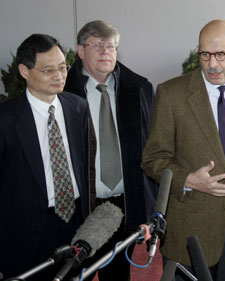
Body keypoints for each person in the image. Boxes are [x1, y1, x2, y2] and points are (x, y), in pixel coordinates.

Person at [141, 19, 225, 281]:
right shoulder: (171, 94)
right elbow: (153, 158)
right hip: (189, 233)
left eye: (220, 54)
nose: (212, 64)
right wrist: (188, 180)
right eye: (205, 55)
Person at [64, 20, 158, 281]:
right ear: (80, 51)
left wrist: (148, 209)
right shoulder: (63, 94)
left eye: (111, 46)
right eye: (97, 45)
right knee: (72, 274)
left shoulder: (138, 90)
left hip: (122, 205)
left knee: (116, 275)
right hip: (80, 207)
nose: (105, 51)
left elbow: (151, 151)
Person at [0, 34, 90, 281]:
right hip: (24, 231)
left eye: (63, 67)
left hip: (73, 222)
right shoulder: (6, 120)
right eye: (48, 70)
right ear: (24, 71)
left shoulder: (78, 108)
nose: (59, 76)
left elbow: (83, 166)